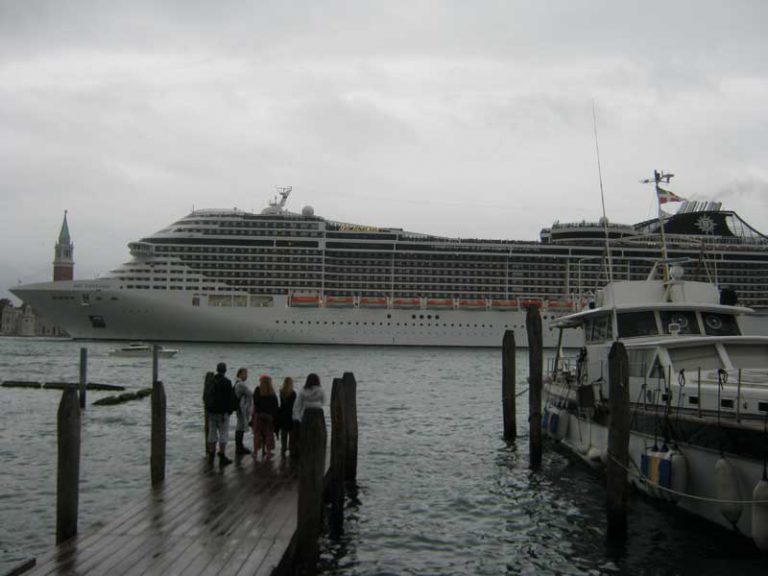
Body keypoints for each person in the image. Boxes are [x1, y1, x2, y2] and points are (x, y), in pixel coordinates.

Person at [204, 362, 236, 466]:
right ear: (225, 370)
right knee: (223, 434)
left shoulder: (211, 381)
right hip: (222, 413)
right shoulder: (227, 382)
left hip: (211, 412)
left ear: (217, 369)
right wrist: (230, 411)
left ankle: (211, 454)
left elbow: (205, 396)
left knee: (212, 434)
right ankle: (222, 455)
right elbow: (230, 399)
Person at [292, 373, 325, 458]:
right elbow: (324, 401)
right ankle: (316, 452)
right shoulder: (321, 390)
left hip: (305, 415)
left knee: (306, 435)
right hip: (318, 415)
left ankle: (306, 452)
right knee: (317, 435)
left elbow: (297, 405)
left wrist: (297, 417)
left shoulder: (303, 391)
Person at [252, 374, 279, 458]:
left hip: (258, 415)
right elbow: (275, 405)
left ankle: (255, 451)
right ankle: (268, 452)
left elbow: (255, 402)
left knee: (257, 434)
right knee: (269, 434)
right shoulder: (272, 392)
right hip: (269, 416)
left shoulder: (257, 390)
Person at [233, 367, 253, 455]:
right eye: (245, 374)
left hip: (241, 407)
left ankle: (239, 446)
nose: (246, 376)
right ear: (240, 374)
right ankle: (239, 447)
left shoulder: (237, 383)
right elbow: (250, 393)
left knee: (240, 426)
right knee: (240, 427)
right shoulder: (241, 384)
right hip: (241, 408)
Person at [276, 377, 297, 457]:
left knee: (284, 434)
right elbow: (294, 405)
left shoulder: (281, 392)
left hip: (283, 414)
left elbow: (282, 404)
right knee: (291, 434)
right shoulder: (293, 393)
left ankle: (283, 449)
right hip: (291, 415)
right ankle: (291, 449)